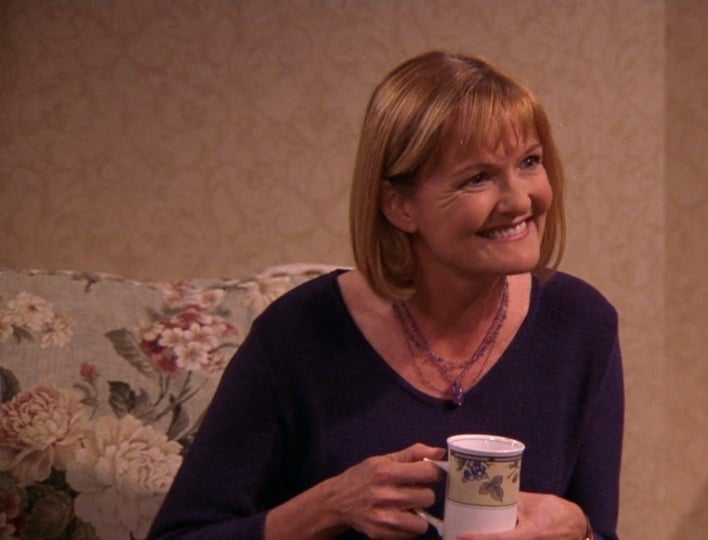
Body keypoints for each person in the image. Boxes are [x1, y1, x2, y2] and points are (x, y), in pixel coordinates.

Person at [148, 50, 624, 540]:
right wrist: (329, 505)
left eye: (529, 162)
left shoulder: (581, 324)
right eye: (478, 178)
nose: (521, 199)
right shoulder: (297, 334)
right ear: (400, 206)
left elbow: (599, 531)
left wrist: (580, 532)